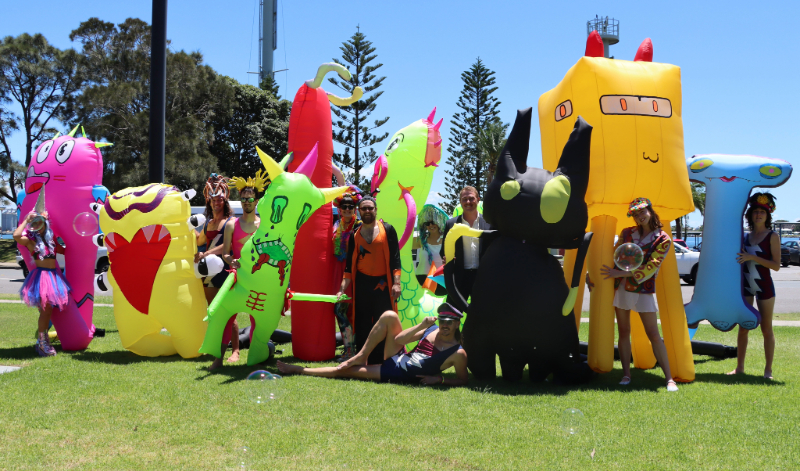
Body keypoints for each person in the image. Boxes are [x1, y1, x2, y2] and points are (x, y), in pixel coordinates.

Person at [590, 197, 679, 392]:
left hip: (644, 289)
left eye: (642, 211)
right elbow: (615, 255)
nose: (639, 216)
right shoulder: (627, 233)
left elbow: (652, 267)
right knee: (623, 331)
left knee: (654, 334)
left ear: (650, 210)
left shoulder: (663, 239)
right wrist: (594, 275)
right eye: (636, 214)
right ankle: (626, 374)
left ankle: (669, 378)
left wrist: (620, 273)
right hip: (623, 288)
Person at [277, 303, 468, 386]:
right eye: (442, 320)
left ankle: (299, 369)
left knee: (345, 371)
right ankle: (362, 355)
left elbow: (463, 380)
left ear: (457, 323)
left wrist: (440, 380)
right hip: (398, 356)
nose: (444, 325)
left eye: (449, 322)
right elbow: (399, 340)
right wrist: (423, 325)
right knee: (389, 316)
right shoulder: (430, 329)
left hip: (400, 373)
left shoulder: (458, 353)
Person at [336, 196, 401, 365]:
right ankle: (362, 358)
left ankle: (383, 359)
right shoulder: (354, 235)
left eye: (370, 208)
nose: (367, 211)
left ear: (376, 210)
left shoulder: (388, 229)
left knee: (383, 320)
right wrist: (342, 289)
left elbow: (395, 259)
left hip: (383, 283)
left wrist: (396, 283)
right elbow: (349, 268)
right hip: (363, 284)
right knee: (362, 322)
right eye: (364, 208)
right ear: (359, 211)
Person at [728, 193, 781, 379]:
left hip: (765, 287)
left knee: (766, 329)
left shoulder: (772, 236)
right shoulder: (745, 236)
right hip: (746, 287)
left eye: (762, 212)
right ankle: (739, 368)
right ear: (750, 215)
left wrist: (752, 257)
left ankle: (768, 371)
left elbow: (776, 266)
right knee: (744, 326)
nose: (758, 215)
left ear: (768, 215)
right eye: (755, 212)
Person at [14, 194, 69, 357]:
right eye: (35, 223)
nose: (38, 225)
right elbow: (16, 236)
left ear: (45, 223)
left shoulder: (51, 241)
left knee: (50, 310)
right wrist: (26, 219)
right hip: (42, 279)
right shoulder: (31, 241)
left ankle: (44, 340)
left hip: (54, 277)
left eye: (40, 222)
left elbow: (65, 251)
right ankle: (42, 342)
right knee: (45, 311)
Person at [194, 174, 237, 368]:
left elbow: (227, 246)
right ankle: (215, 348)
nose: (216, 202)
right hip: (208, 272)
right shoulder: (207, 223)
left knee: (227, 312)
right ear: (209, 201)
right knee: (213, 311)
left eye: (219, 199)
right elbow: (199, 241)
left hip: (226, 270)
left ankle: (235, 350)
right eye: (213, 199)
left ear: (225, 200)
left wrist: (207, 253)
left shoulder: (231, 222)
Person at [440, 186, 490, 308]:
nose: (468, 202)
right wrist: (447, 258)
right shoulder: (451, 224)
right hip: (459, 278)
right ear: (460, 201)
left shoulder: (490, 223)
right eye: (464, 199)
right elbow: (444, 251)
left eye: (471, 198)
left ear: (478, 199)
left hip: (483, 278)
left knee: (484, 316)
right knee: (452, 316)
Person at [331, 187, 363, 361]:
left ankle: (352, 351)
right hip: (338, 272)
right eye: (345, 206)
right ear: (340, 209)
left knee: (348, 311)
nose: (348, 209)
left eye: (351, 206)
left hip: (354, 273)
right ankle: (350, 350)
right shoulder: (336, 225)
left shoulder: (359, 225)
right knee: (340, 311)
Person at [413, 204, 447, 296]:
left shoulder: (446, 239)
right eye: (427, 224)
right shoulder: (421, 240)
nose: (430, 225)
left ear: (438, 222)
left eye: (433, 222)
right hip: (421, 278)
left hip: (441, 279)